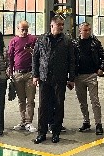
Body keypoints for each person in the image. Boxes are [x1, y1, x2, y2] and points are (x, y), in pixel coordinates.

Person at [32, 16, 75, 144]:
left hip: (60, 79)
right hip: (44, 78)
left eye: (62, 25)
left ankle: (56, 132)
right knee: (43, 106)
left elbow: (72, 60)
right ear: (52, 25)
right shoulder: (41, 39)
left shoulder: (67, 41)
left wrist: (71, 78)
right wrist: (35, 75)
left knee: (58, 105)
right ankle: (41, 133)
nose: (61, 27)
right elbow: (35, 58)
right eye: (59, 24)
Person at [73, 22, 104, 135]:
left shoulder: (95, 43)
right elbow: (71, 60)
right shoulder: (74, 44)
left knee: (95, 101)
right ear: (80, 31)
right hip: (78, 76)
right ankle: (86, 122)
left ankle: (98, 124)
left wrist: (101, 68)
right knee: (82, 101)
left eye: (89, 30)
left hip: (91, 75)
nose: (87, 32)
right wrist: (71, 77)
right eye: (85, 30)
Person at [7, 21, 37, 132]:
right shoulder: (13, 41)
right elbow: (10, 57)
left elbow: (38, 55)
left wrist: (31, 51)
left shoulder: (33, 39)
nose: (24, 32)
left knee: (30, 99)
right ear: (18, 29)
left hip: (30, 74)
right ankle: (23, 121)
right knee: (21, 100)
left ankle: (29, 122)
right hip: (18, 74)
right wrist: (10, 70)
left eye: (26, 29)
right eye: (22, 29)